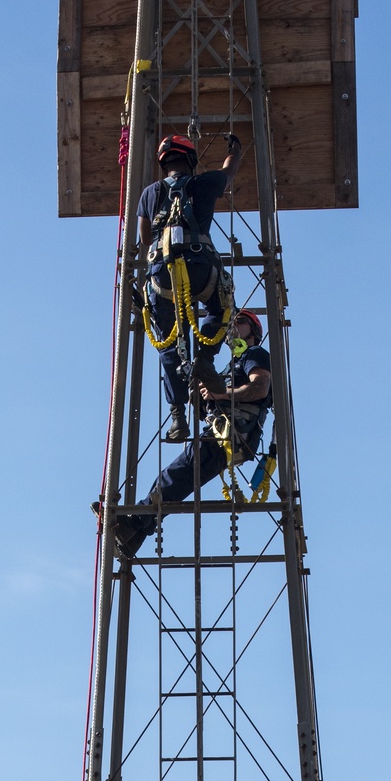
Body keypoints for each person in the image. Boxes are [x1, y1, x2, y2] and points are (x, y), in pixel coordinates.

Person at [115, 310, 272, 560]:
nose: (232, 326)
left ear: (253, 332)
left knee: (179, 473)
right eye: (230, 322)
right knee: (181, 479)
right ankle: (134, 535)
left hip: (233, 434)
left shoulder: (254, 354)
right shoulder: (235, 364)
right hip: (226, 433)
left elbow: (260, 387)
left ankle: (131, 526)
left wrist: (221, 394)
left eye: (240, 322)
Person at [139, 131, 242, 441]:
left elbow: (145, 240)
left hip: (162, 273)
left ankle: (177, 417)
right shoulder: (206, 182)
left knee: (169, 344)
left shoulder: (149, 193)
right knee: (221, 310)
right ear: (190, 161)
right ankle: (204, 359)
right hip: (200, 268)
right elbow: (229, 171)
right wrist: (235, 149)